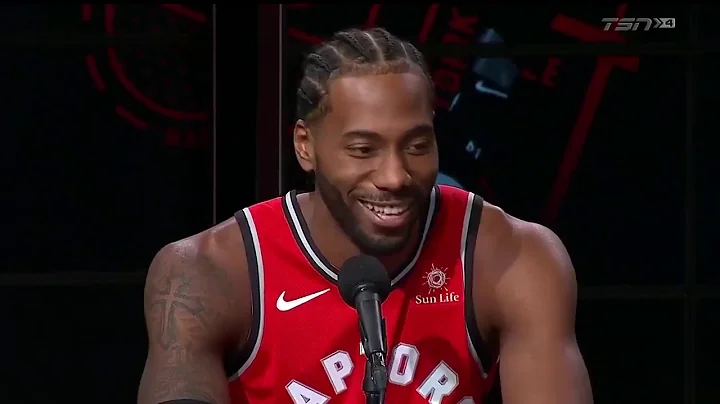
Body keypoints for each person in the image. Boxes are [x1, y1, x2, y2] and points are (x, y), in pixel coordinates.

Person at [137, 28, 592, 404]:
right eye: (363, 149)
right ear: (305, 147)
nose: (395, 176)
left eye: (417, 146)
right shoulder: (205, 272)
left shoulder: (511, 258)